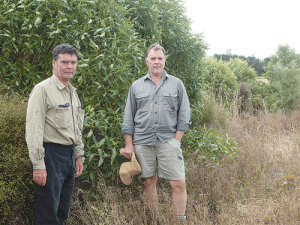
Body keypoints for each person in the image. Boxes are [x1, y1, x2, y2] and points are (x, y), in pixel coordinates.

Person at [122, 44, 191, 220]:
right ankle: (154, 218)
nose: (157, 62)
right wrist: (129, 143)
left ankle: (179, 220)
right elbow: (128, 117)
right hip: (143, 141)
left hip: (169, 140)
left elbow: (184, 115)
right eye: (153, 58)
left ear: (164, 61)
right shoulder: (136, 86)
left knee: (178, 183)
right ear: (147, 61)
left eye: (160, 58)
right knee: (149, 181)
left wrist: (177, 140)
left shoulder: (177, 84)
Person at [26, 43, 85, 225]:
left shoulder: (72, 92)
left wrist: (78, 155)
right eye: (65, 62)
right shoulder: (42, 90)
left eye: (73, 62)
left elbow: (76, 129)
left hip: (69, 156)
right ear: (54, 63)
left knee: (62, 212)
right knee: (47, 214)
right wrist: (38, 164)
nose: (69, 66)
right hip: (51, 156)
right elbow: (34, 129)